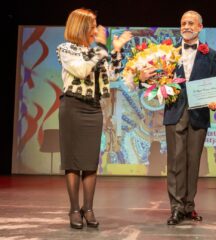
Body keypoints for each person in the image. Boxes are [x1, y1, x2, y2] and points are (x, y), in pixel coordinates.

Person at [140, 10, 216, 225]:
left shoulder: (210, 54)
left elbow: (215, 83)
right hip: (175, 112)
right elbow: (151, 80)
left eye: (191, 23)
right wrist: (143, 78)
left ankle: (188, 207)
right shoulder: (168, 53)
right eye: (183, 23)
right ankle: (176, 207)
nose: (186, 26)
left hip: (199, 113)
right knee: (176, 162)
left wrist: (215, 101)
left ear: (200, 27)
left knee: (193, 163)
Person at [56, 8, 132, 229]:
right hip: (72, 106)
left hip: (93, 109)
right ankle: (73, 209)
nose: (97, 30)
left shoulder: (96, 51)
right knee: (72, 162)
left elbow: (112, 75)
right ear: (81, 27)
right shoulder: (66, 49)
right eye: (93, 25)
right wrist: (101, 48)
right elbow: (81, 70)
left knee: (90, 163)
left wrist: (116, 51)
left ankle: (88, 208)